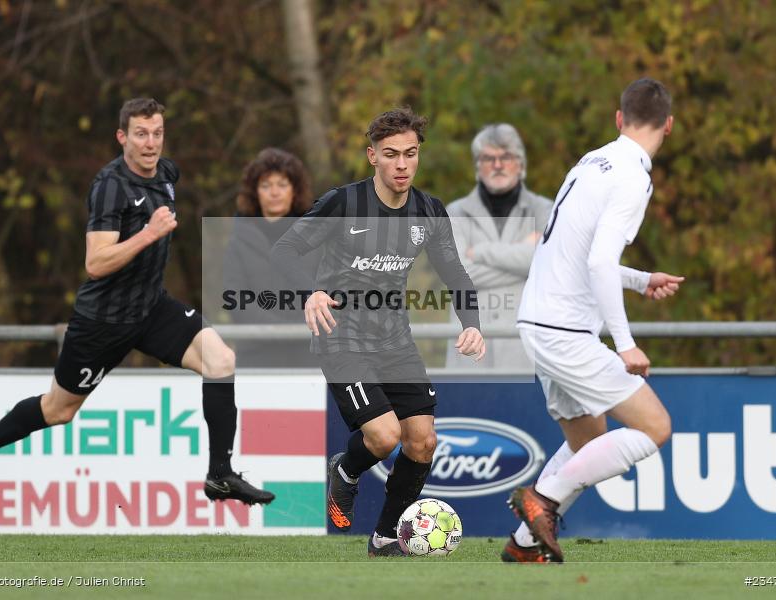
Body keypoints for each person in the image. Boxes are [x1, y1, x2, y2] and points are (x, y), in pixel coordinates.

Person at [0, 98, 274, 508]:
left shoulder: (167, 173)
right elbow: (95, 263)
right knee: (58, 410)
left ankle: (220, 475)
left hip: (151, 308)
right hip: (103, 321)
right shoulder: (110, 187)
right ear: (122, 136)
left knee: (220, 361)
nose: (150, 142)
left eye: (157, 133)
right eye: (141, 134)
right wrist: (148, 234)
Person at [271, 108, 485, 556]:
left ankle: (386, 536)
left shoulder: (428, 211)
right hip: (341, 338)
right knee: (385, 437)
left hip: (395, 341)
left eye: (410, 154)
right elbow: (285, 249)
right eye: (391, 155)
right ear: (372, 156)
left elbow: (456, 275)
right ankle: (346, 471)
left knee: (423, 441)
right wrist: (310, 293)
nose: (402, 164)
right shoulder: (343, 203)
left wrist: (473, 326)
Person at [505, 78, 685, 563]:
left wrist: (640, 278)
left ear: (619, 118)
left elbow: (579, 253)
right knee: (655, 427)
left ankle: (525, 545)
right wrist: (625, 343)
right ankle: (539, 501)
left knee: (588, 442)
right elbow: (599, 263)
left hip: (540, 323)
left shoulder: (592, 161)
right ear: (668, 126)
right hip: (564, 330)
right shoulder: (633, 176)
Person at [446, 124, 552, 371]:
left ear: (521, 164)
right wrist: (524, 259)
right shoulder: (453, 213)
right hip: (470, 352)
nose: (497, 165)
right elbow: (458, 274)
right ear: (477, 166)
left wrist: (481, 252)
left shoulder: (545, 210)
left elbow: (549, 264)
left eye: (506, 157)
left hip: (526, 351)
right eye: (488, 158)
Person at [221, 148, 318, 367]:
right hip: (256, 354)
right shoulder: (238, 240)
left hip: (308, 352)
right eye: (266, 185)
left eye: (282, 185)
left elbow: (326, 291)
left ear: (295, 190)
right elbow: (235, 298)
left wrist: (299, 330)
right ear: (255, 192)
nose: (274, 192)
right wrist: (276, 330)